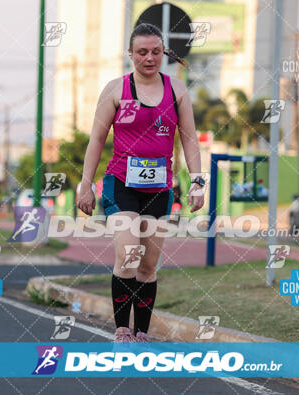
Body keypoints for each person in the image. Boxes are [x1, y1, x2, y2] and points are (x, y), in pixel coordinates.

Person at [77, 23, 205, 342]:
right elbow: (96, 139)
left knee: (148, 265)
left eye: (156, 52)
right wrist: (85, 183)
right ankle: (122, 328)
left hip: (160, 188)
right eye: (143, 52)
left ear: (164, 53)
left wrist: (198, 180)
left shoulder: (177, 91)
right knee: (129, 254)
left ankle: (142, 331)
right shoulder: (115, 90)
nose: (150, 58)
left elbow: (189, 139)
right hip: (120, 183)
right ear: (130, 54)